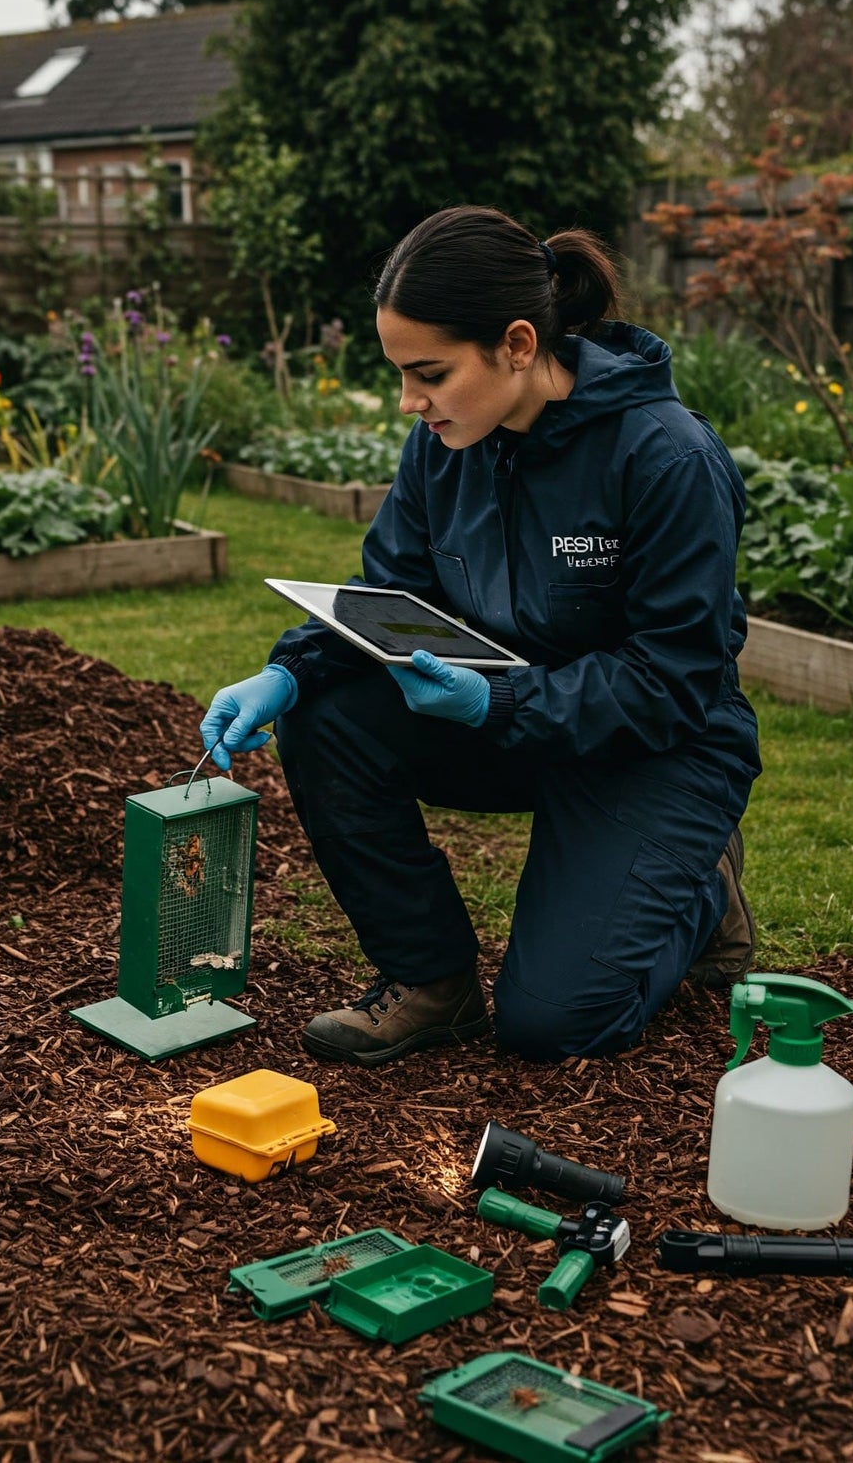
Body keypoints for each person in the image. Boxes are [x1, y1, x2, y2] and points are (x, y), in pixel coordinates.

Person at [200, 205, 761, 1066]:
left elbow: (674, 681)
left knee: (554, 1024)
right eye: (399, 373)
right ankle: (430, 981)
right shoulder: (445, 443)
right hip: (515, 723)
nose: (408, 401)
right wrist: (288, 674)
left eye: (428, 372)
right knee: (327, 715)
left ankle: (698, 891)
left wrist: (496, 699)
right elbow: (388, 591)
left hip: (659, 748)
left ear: (519, 345)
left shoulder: (666, 458)